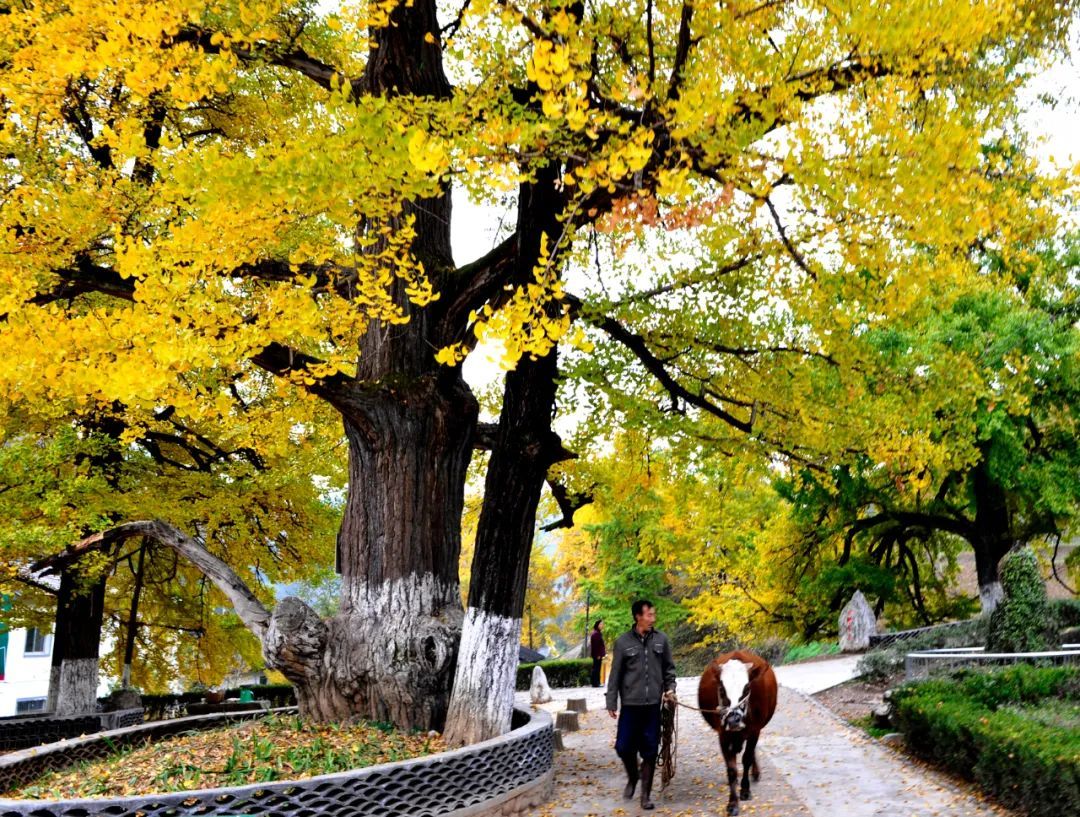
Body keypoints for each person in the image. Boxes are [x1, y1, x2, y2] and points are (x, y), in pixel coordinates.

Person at [605, 599, 677, 810]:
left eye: (654, 615)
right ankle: (633, 776)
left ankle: (645, 796)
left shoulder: (661, 640)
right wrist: (611, 701)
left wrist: (670, 688)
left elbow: (669, 669)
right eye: (649, 615)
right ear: (638, 616)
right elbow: (615, 674)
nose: (653, 619)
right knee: (623, 747)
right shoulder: (623, 642)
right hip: (630, 705)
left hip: (653, 706)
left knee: (650, 751)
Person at [589, 619, 606, 687]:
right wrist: (598, 654)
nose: (602, 625)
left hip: (598, 654)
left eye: (602, 624)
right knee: (596, 669)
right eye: (601, 624)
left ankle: (596, 683)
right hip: (597, 655)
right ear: (597, 625)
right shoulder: (596, 634)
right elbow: (595, 646)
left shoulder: (598, 633)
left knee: (597, 668)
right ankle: (596, 683)